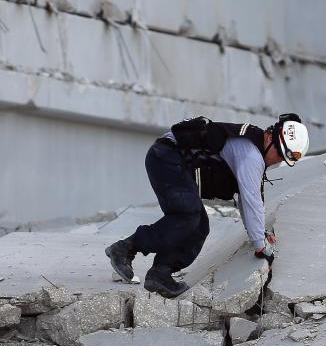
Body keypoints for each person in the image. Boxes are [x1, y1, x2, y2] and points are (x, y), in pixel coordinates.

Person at [105, 114, 309, 298]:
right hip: (167, 157)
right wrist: (260, 247)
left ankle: (160, 273)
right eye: (281, 155)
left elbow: (248, 201)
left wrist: (259, 235)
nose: (278, 161)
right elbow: (251, 200)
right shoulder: (251, 155)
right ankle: (125, 248)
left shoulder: (254, 148)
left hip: (174, 162)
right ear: (272, 139)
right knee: (188, 213)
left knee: (199, 227)